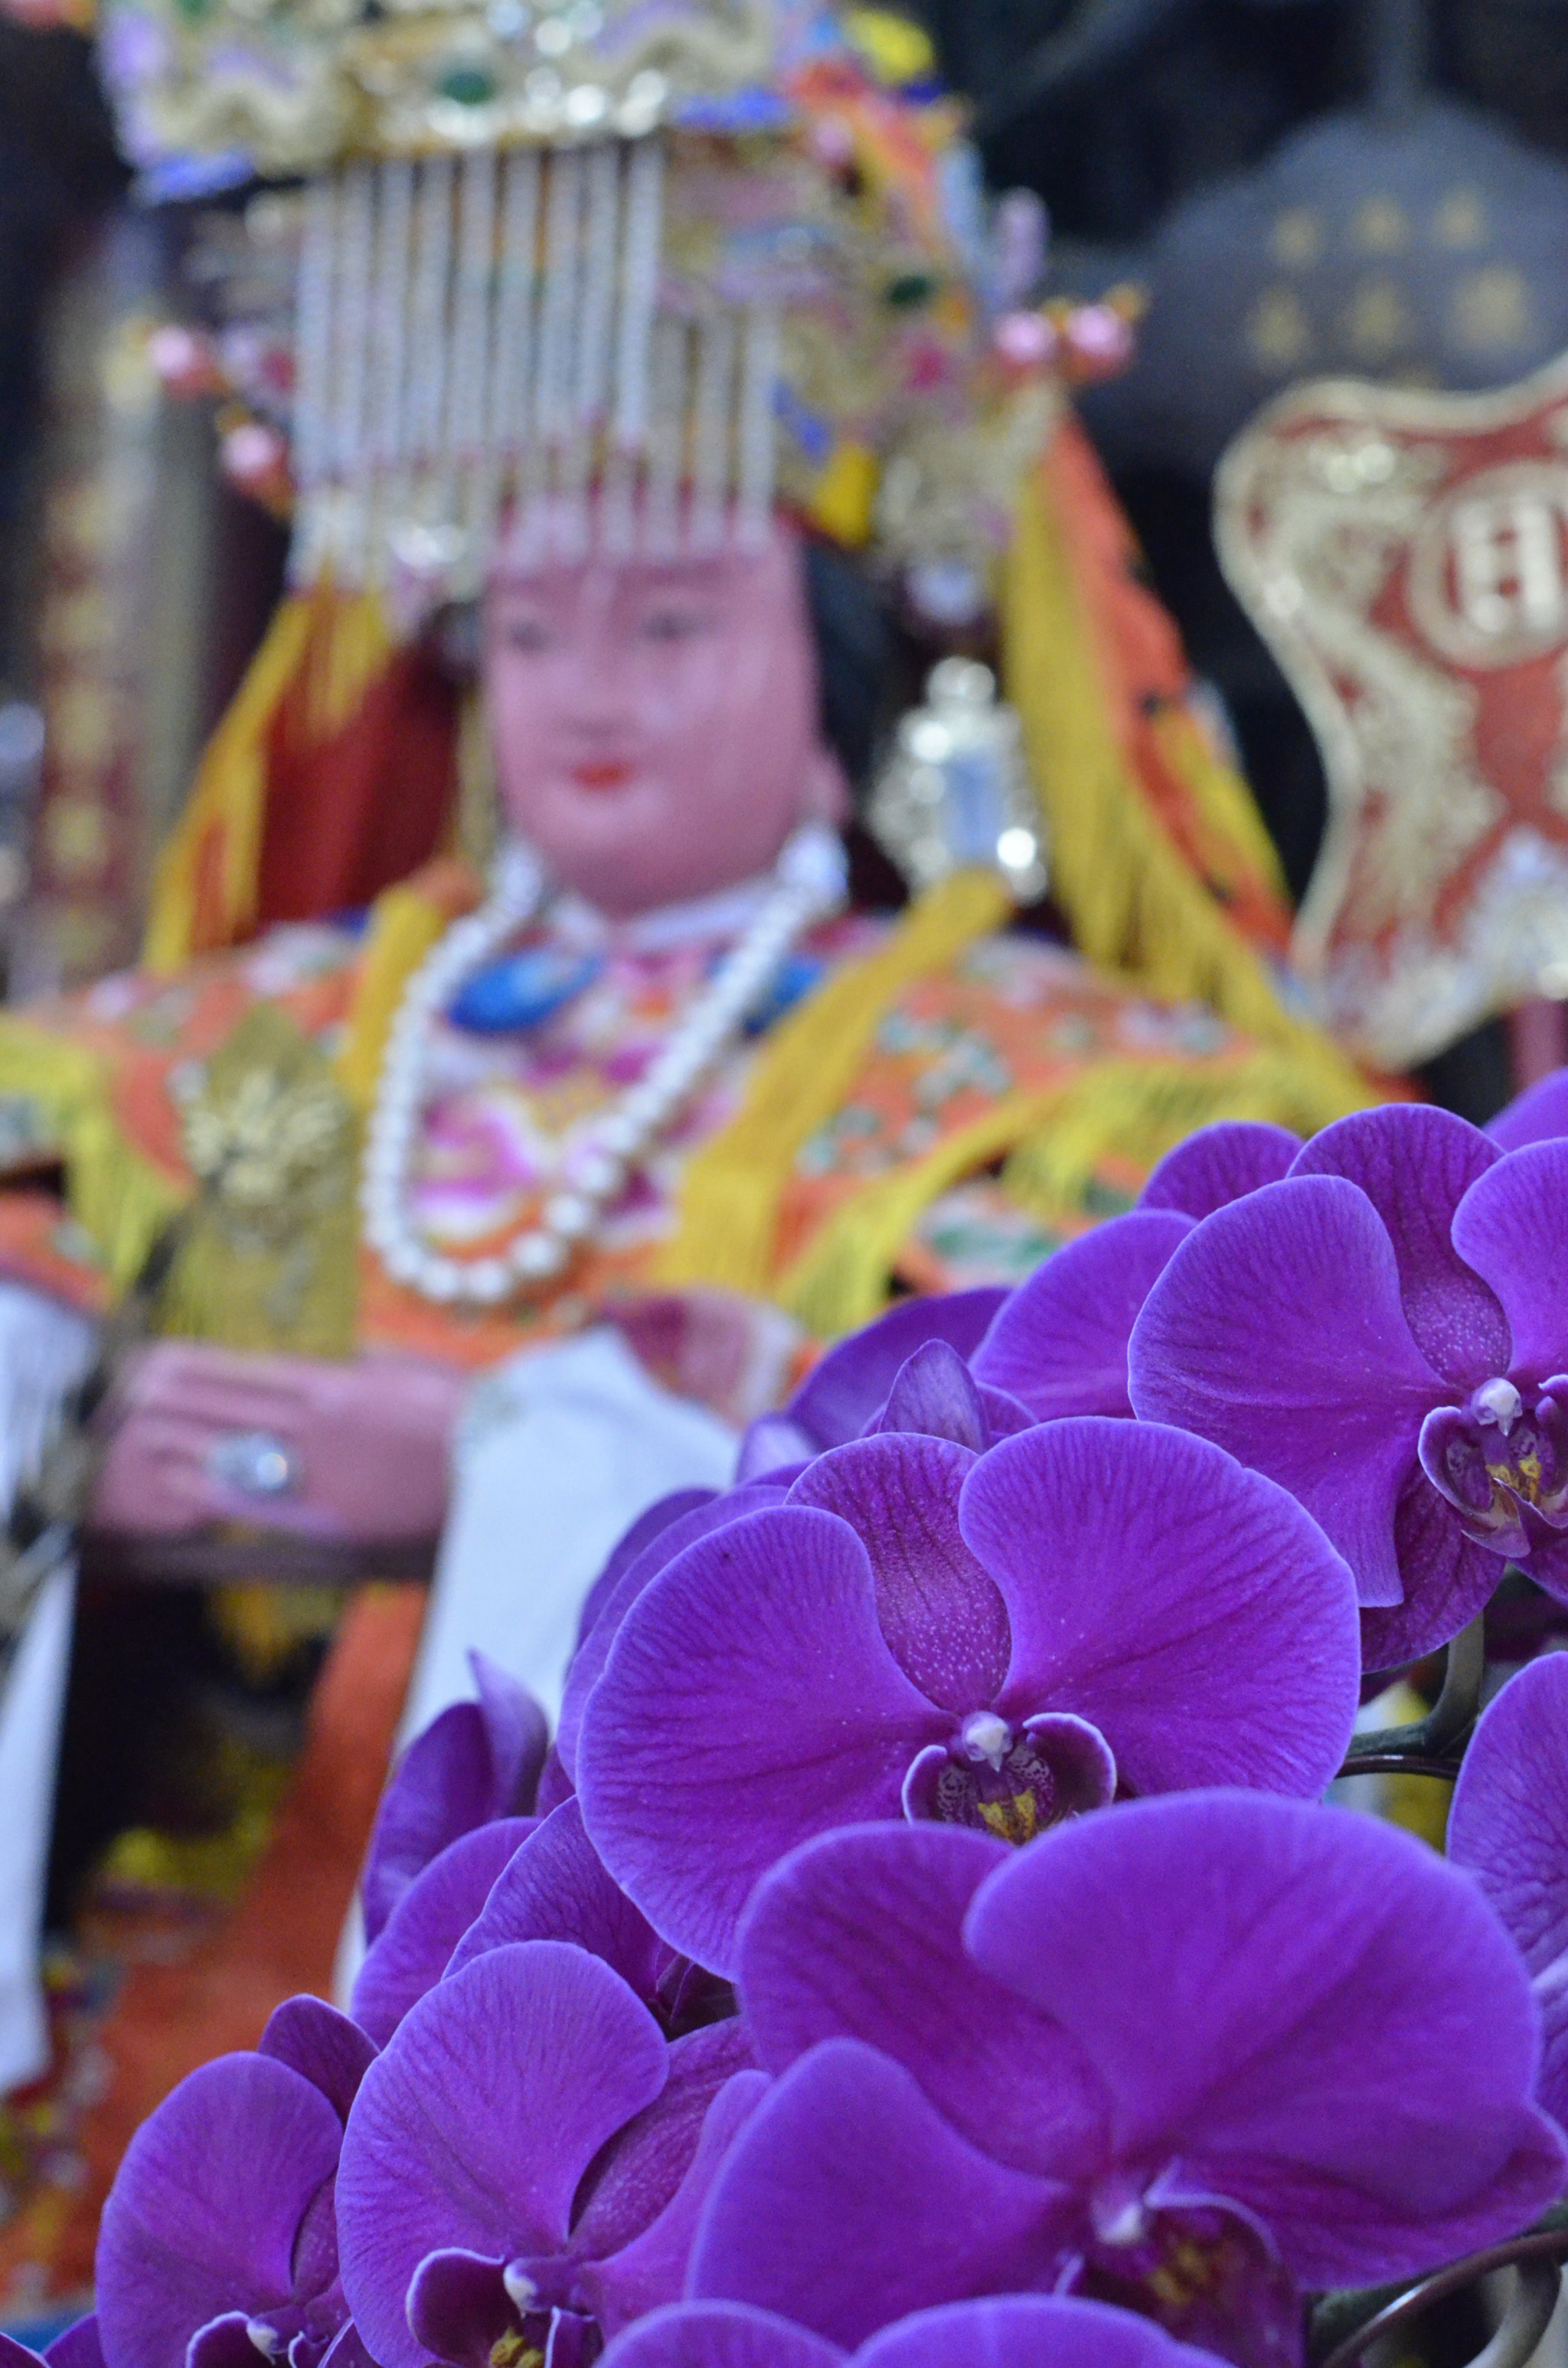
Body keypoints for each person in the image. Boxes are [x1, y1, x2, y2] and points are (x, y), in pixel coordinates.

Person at [0, 0, 1372, 2081]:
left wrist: (485, 1459)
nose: (587, 692)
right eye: (530, 629)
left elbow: (1018, 1481)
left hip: (735, 1993)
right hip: (167, 1951)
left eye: (670, 619)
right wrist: (88, 1443)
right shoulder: (247, 1040)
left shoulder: (1034, 1073)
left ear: (830, 677)